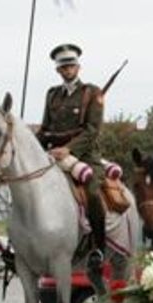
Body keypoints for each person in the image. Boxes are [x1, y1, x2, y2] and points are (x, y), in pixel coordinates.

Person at [37, 42, 106, 250]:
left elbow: (92, 130)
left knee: (92, 192)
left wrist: (69, 149)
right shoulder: (52, 94)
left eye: (71, 65)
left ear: (78, 67)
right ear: (58, 70)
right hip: (53, 155)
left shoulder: (92, 92)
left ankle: (98, 246)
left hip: (85, 156)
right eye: (63, 67)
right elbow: (45, 128)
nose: (68, 70)